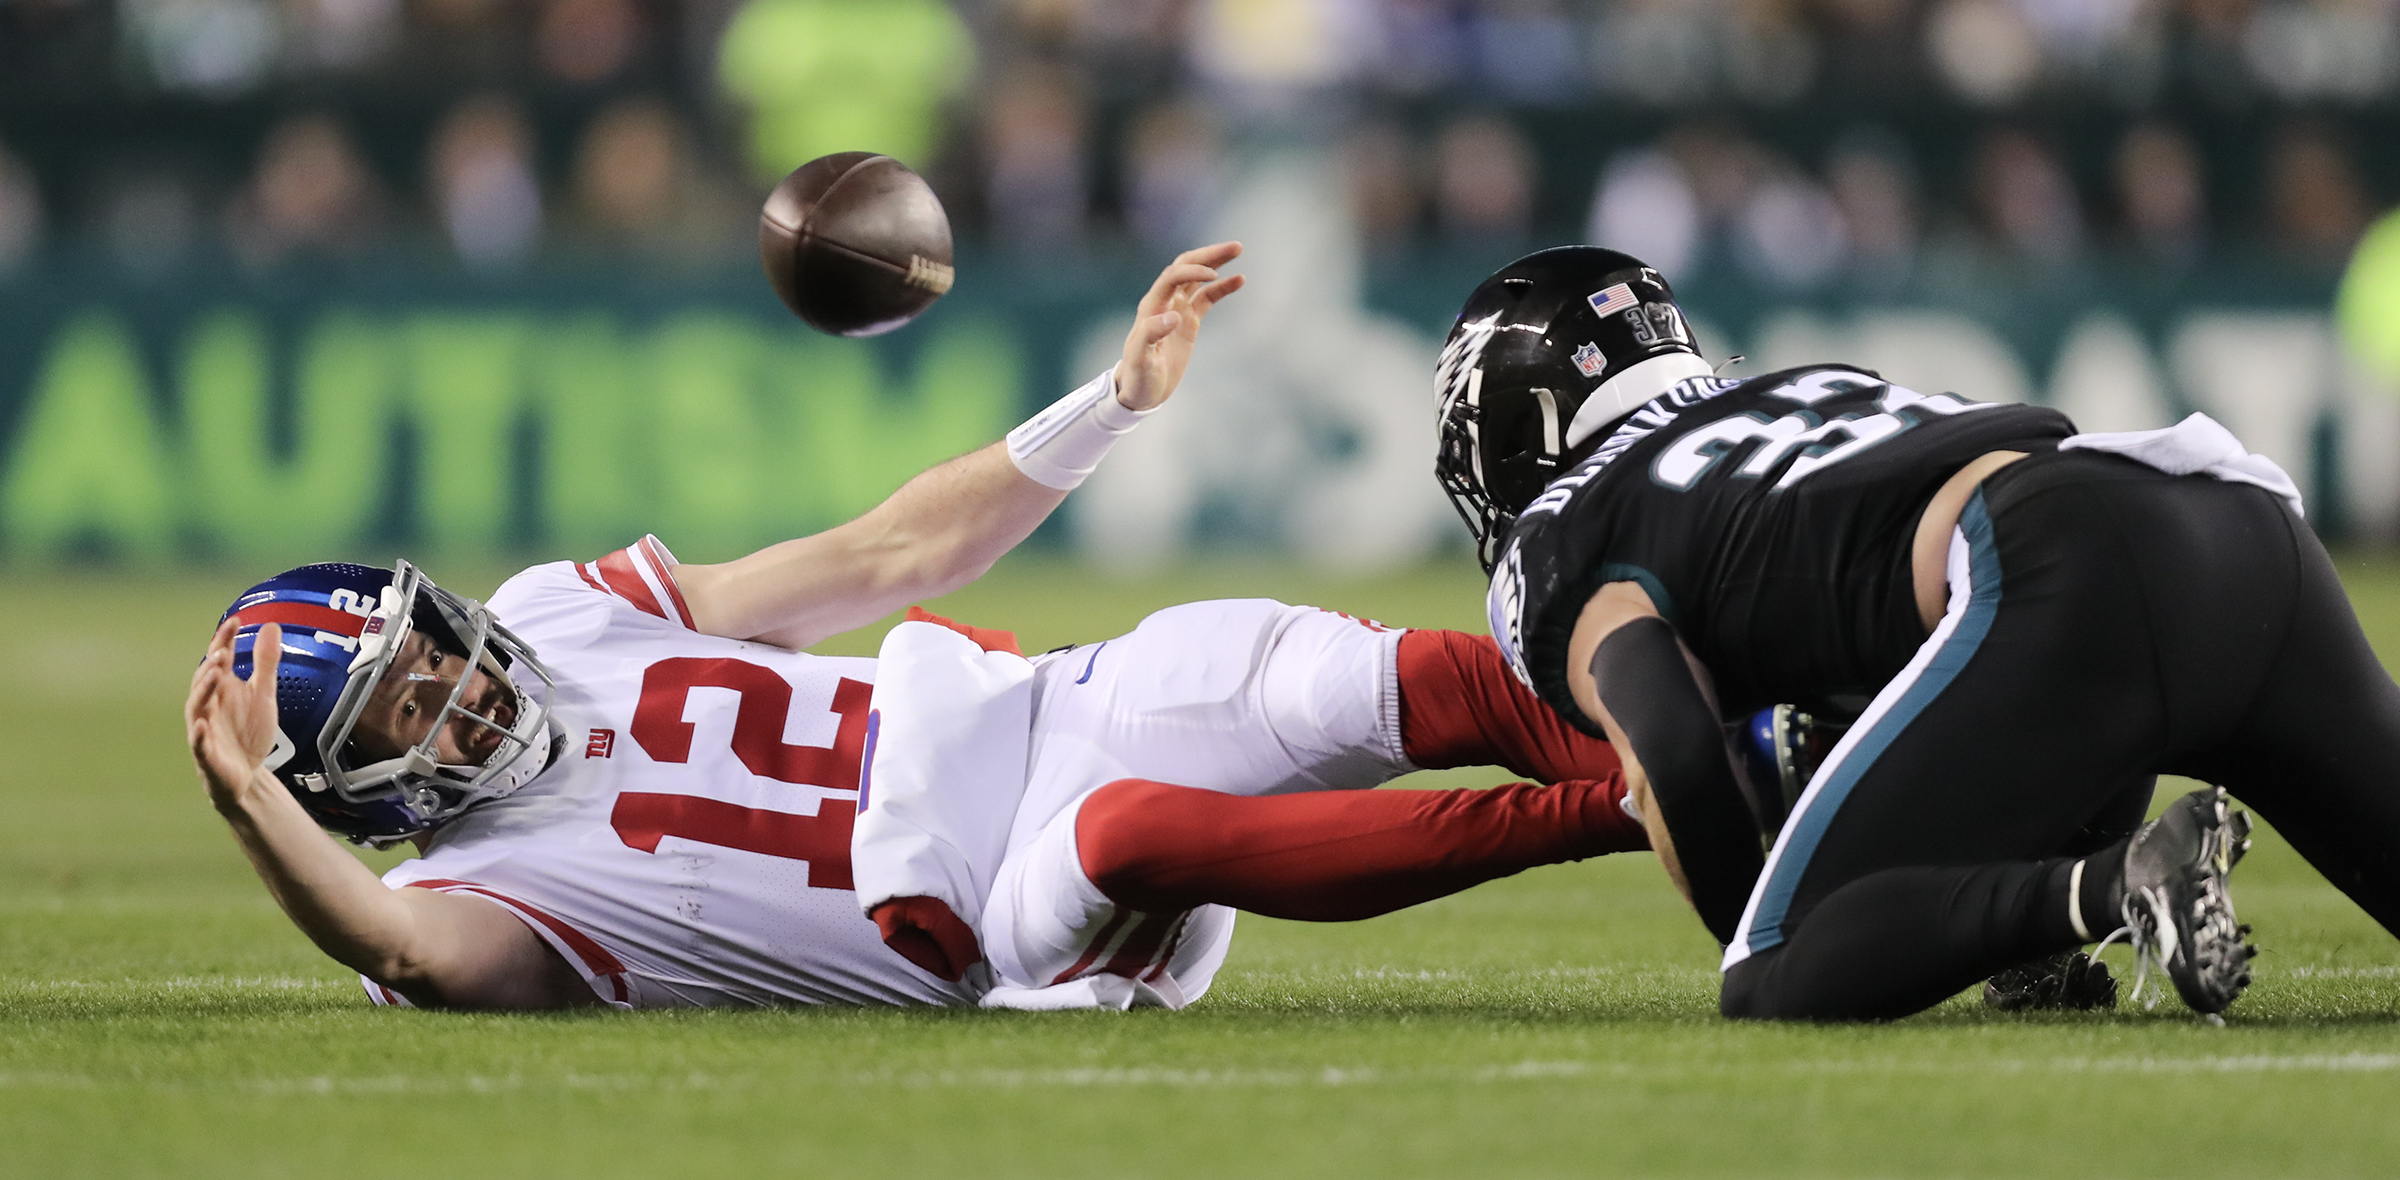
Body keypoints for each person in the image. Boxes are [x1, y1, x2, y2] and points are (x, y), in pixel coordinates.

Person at [185, 243, 1646, 1011]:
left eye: (424, 650)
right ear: (353, 797)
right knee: (1123, 833)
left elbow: (896, 550)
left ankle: (1713, 759)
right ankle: (1620, 814)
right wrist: (252, 808)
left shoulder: (561, 614)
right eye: (396, 711)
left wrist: (1113, 404)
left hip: (1037, 707)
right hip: (1000, 901)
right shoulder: (482, 899)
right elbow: (406, 947)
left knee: (1339, 668)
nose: (450, 688)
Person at [1422, 245, 2386, 1022]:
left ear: (1518, 430)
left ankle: (2111, 887)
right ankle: (2043, 946)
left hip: (2066, 582)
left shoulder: (1558, 533)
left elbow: (1672, 747)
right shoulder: (1807, 386)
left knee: (1780, 966)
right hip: (2235, 524)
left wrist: (1758, 932)